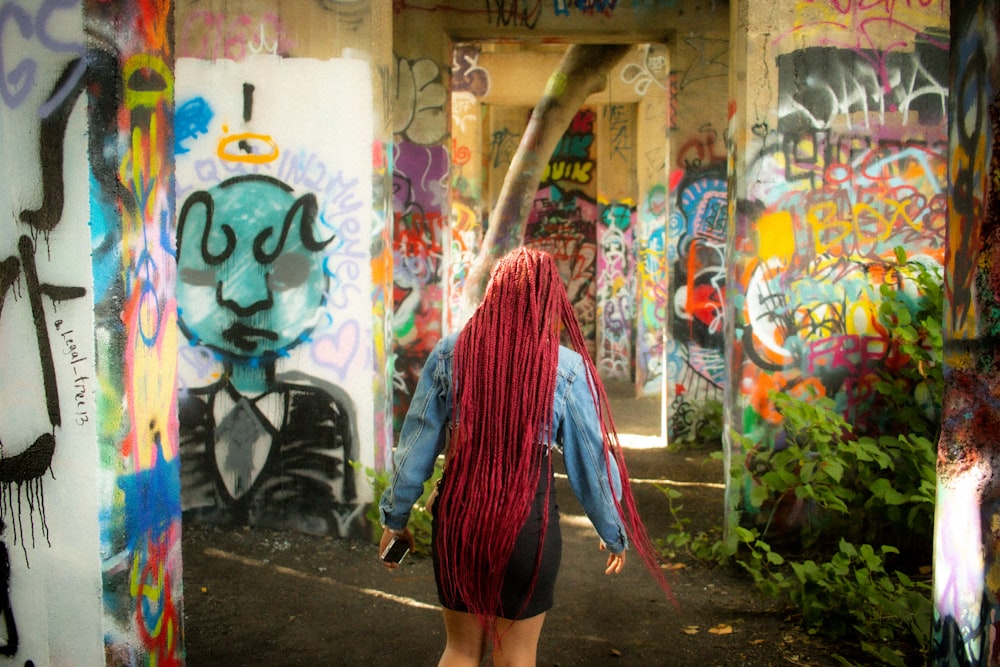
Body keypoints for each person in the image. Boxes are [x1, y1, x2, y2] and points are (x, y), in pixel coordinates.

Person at [378, 247, 671, 666]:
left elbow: (417, 444)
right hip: (526, 531)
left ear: (493, 293)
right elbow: (590, 460)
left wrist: (395, 518)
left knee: (459, 650)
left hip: (458, 524)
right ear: (549, 300)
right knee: (515, 657)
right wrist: (612, 530)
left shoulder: (449, 353)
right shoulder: (565, 368)